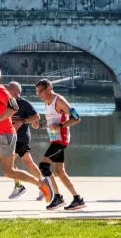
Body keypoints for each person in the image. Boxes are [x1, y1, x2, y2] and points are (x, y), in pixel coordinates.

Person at [0, 66, 53, 213]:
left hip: (5, 134)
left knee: (8, 171)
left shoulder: (1, 90)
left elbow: (14, 107)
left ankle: (41, 184)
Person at [35, 78, 85, 210]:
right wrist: (40, 126)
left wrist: (61, 126)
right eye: (37, 93)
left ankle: (57, 197)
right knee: (59, 171)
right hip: (54, 139)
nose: (39, 95)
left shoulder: (59, 100)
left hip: (61, 140)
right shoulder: (47, 102)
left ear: (49, 89)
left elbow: (77, 117)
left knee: (43, 166)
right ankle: (77, 199)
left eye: (40, 92)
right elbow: (50, 121)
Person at [7, 81, 44, 200]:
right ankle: (43, 185)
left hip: (21, 138)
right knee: (28, 163)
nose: (7, 90)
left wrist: (22, 121)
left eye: (10, 88)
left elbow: (37, 117)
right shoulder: (7, 103)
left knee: (9, 164)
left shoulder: (24, 104)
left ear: (17, 91)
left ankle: (19, 186)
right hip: (11, 137)